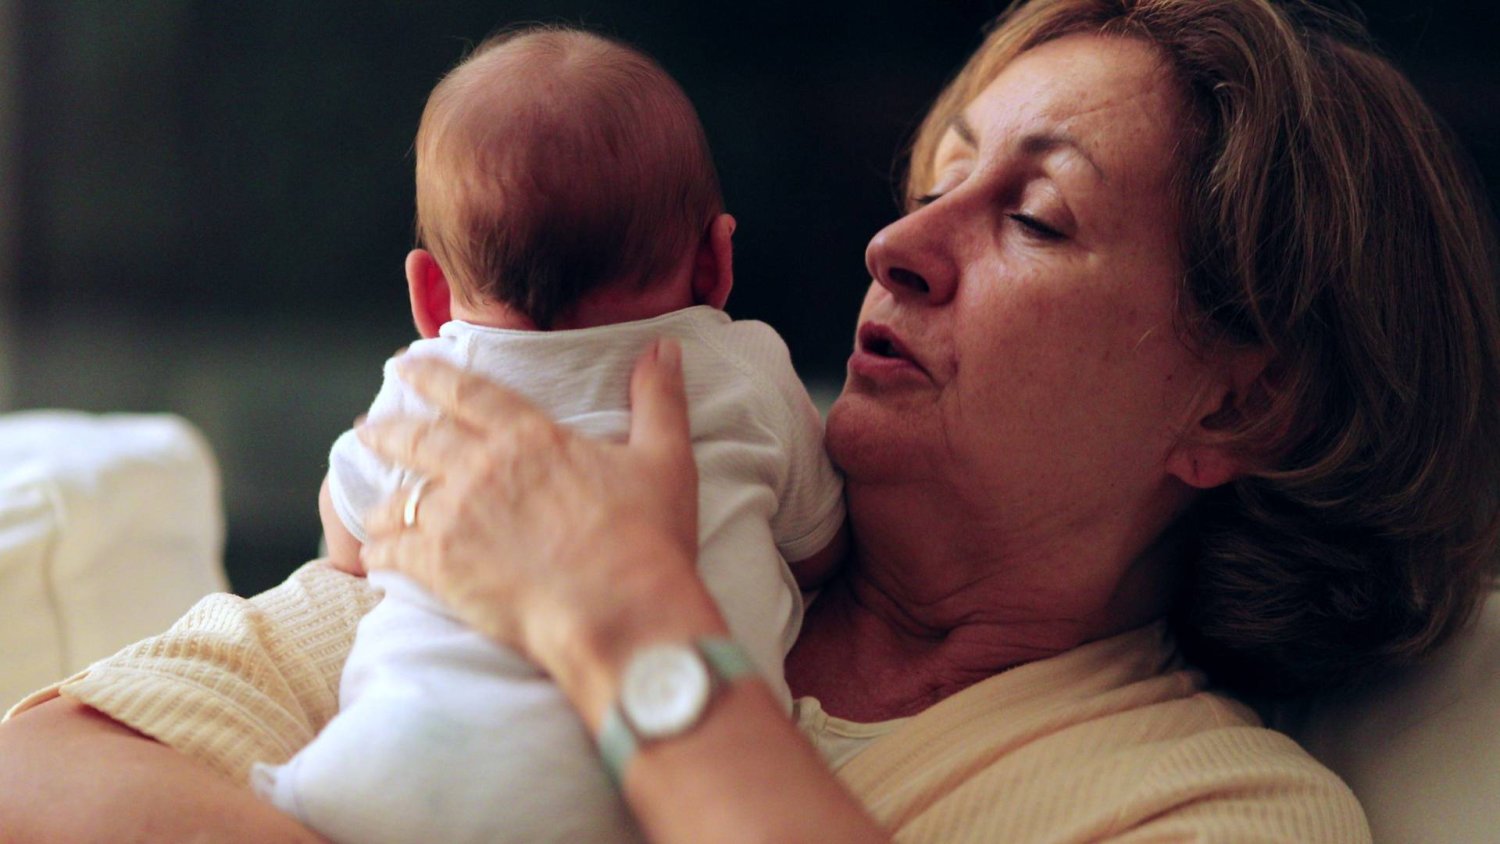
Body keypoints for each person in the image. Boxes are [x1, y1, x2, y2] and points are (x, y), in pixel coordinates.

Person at [3, 0, 1496, 841]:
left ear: (1241, 396)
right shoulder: (560, 506)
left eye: (1034, 218)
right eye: (936, 182)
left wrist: (634, 634)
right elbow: (41, 776)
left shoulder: (1207, 809)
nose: (895, 248)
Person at [250, 26, 846, 844]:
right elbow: (819, 550)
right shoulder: (744, 369)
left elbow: (350, 553)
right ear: (715, 263)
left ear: (428, 296)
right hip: (654, 793)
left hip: (387, 778)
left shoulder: (424, 391)